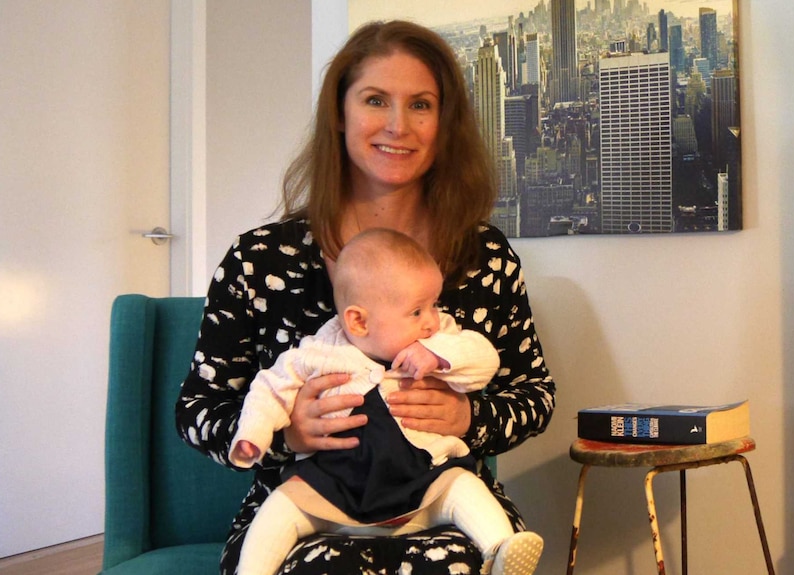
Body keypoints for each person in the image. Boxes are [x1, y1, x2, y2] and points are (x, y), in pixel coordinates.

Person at [176, 19, 556, 575]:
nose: (398, 125)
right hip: (303, 510)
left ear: (443, 123)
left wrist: (468, 416)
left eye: (421, 105)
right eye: (376, 100)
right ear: (340, 112)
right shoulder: (260, 261)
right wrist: (287, 433)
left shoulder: (485, 257)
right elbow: (196, 410)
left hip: (442, 502)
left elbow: (534, 394)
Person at [229, 228, 543, 575]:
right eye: (417, 312)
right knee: (280, 507)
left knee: (465, 487)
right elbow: (269, 389)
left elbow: (485, 359)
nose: (432, 320)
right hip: (333, 489)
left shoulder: (439, 340)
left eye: (434, 305)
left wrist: (439, 356)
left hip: (425, 484)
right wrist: (254, 435)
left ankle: (499, 551)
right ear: (359, 321)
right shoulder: (318, 353)